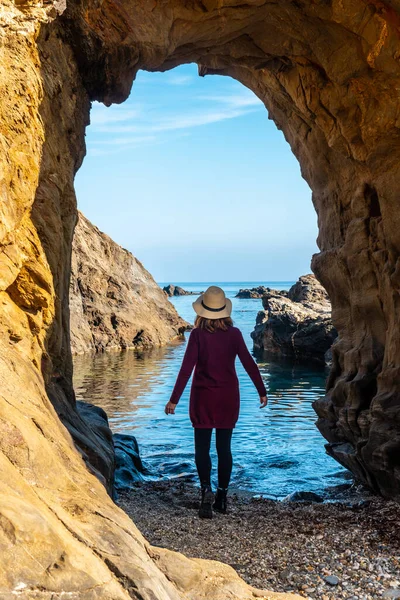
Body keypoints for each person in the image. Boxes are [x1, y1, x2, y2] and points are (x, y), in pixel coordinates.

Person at [164, 285, 268, 518]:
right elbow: (249, 363)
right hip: (228, 398)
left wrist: (174, 400)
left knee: (202, 449)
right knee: (224, 449)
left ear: (202, 311)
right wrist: (262, 391)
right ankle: (222, 497)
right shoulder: (235, 334)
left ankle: (205, 491)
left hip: (202, 397)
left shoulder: (197, 336)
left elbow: (185, 370)